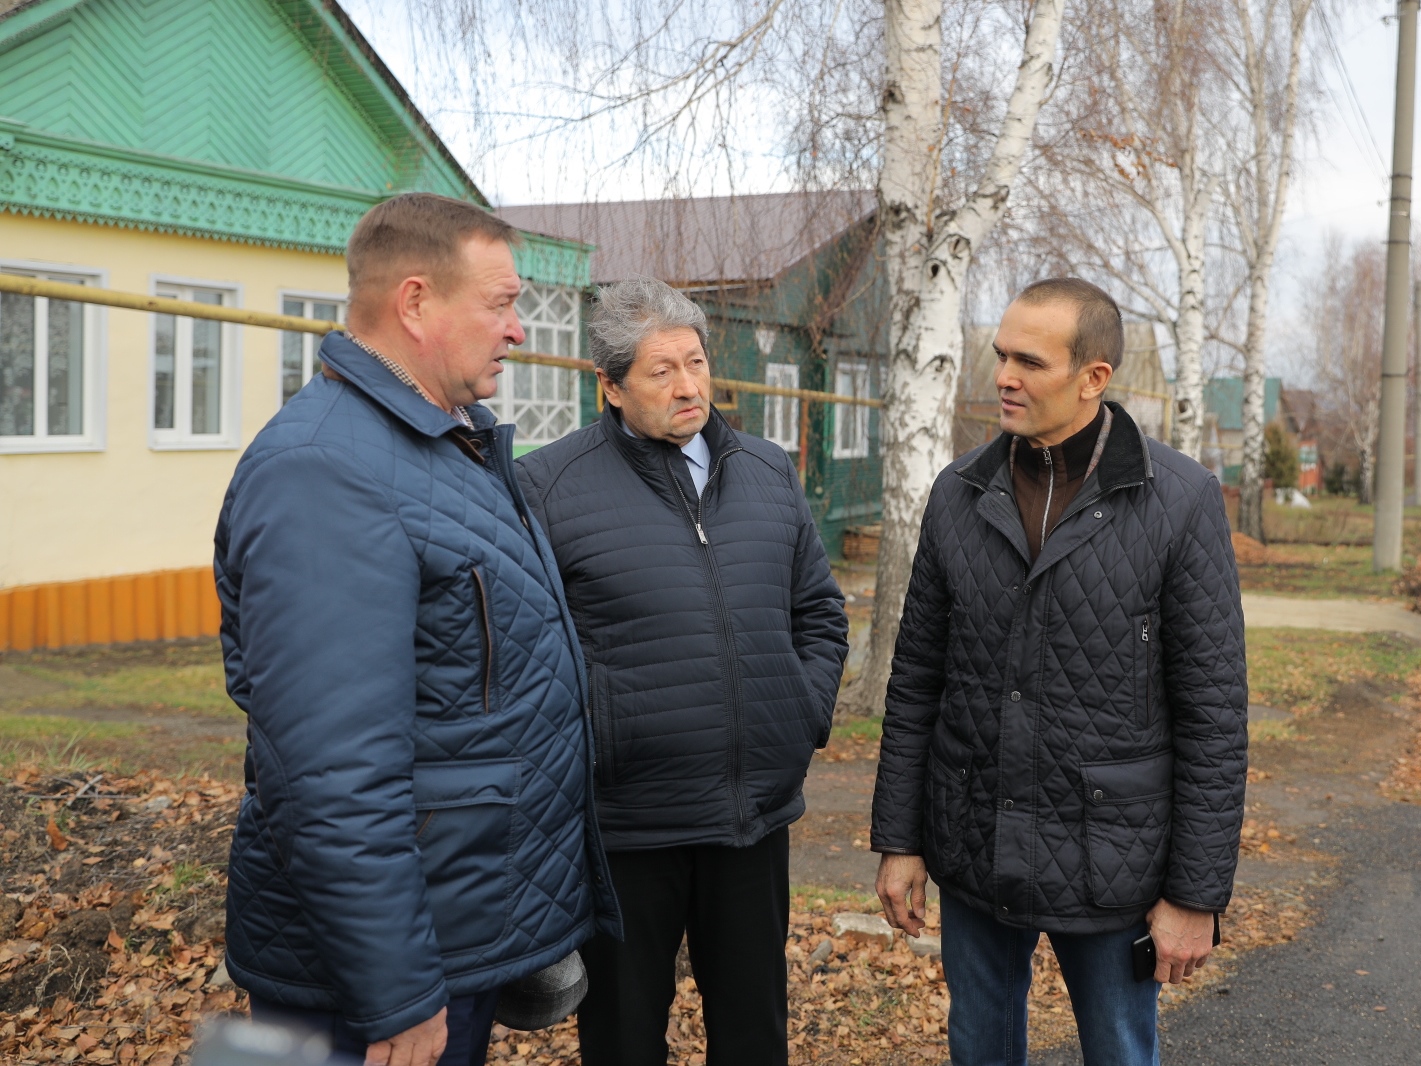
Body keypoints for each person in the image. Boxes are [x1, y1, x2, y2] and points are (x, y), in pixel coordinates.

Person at [214, 192, 618, 1066]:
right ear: (414, 303)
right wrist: (393, 990)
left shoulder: (439, 444)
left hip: (448, 930)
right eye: (502, 302)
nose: (519, 330)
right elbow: (330, 773)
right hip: (365, 988)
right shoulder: (325, 472)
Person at [870, 278, 1248, 1066]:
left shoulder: (1178, 501)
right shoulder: (957, 493)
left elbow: (1213, 713)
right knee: (980, 1049)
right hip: (974, 840)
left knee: (1117, 1052)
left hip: (1112, 859)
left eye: (1028, 361)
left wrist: (1195, 893)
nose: (1003, 376)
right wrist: (899, 840)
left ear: (1093, 378)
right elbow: (915, 684)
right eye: (1000, 354)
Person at [515, 276, 849, 1066]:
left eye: (695, 362)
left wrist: (801, 714)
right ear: (611, 386)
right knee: (625, 1038)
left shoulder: (768, 471)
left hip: (752, 821)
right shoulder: (547, 486)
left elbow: (821, 614)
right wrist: (598, 742)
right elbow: (529, 652)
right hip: (627, 826)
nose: (688, 385)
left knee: (755, 1036)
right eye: (661, 371)